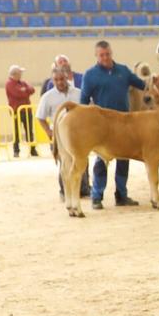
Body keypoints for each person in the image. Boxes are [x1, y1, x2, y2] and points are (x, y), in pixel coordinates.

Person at [78, 39, 145, 209]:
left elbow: (142, 84)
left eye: (107, 54)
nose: (105, 58)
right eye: (102, 55)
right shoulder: (90, 75)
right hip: (102, 125)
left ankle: (121, 195)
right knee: (101, 160)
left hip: (124, 123)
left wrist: (157, 79)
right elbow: (84, 101)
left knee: (124, 159)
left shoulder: (123, 71)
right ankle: (97, 196)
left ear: (111, 53)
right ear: (96, 56)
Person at [37, 63, 83, 200]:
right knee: (64, 164)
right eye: (56, 80)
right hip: (58, 136)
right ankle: (65, 191)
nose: (59, 82)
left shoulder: (78, 93)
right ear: (52, 80)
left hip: (78, 135)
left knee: (80, 161)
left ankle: (83, 189)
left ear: (67, 78)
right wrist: (49, 132)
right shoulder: (47, 97)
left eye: (62, 79)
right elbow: (40, 117)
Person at [6, 65, 39, 157]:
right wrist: (25, 91)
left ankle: (33, 149)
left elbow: (32, 90)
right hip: (16, 111)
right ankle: (16, 151)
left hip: (27, 110)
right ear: (15, 74)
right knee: (16, 131)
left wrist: (25, 90)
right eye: (20, 72)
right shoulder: (9, 83)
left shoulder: (22, 83)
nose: (21, 74)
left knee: (29, 130)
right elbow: (17, 94)